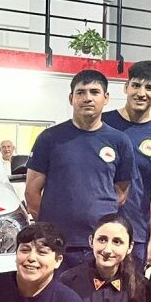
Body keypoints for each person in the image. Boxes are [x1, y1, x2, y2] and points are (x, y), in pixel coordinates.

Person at [25, 69, 135, 269]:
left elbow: (121, 193)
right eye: (81, 92)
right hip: (58, 244)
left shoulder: (120, 141)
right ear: (71, 98)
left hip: (100, 245)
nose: (87, 98)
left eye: (94, 92)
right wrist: (49, 229)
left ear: (106, 98)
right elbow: (31, 193)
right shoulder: (50, 138)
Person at [103, 60, 151, 267]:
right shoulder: (102, 123)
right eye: (136, 85)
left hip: (137, 233)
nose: (141, 93)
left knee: (133, 286)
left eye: (149, 88)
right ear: (126, 87)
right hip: (98, 228)